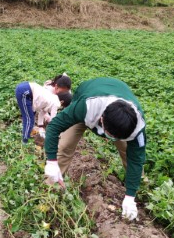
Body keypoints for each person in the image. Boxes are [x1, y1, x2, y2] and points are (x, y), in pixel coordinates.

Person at [44, 77, 146, 221]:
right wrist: (51, 161)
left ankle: (137, 188)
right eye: (110, 137)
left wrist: (130, 196)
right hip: (88, 98)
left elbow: (136, 159)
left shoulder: (136, 126)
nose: (111, 140)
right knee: (65, 145)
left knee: (127, 151)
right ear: (102, 120)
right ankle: (51, 188)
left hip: (117, 103)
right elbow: (54, 126)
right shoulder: (85, 107)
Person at [15, 77, 72, 144]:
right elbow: (53, 121)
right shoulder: (56, 104)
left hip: (26, 89)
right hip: (25, 91)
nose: (60, 107)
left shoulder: (53, 98)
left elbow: (42, 112)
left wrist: (41, 128)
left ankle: (27, 136)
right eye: (62, 106)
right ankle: (25, 142)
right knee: (29, 119)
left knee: (31, 117)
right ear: (62, 102)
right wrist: (54, 135)